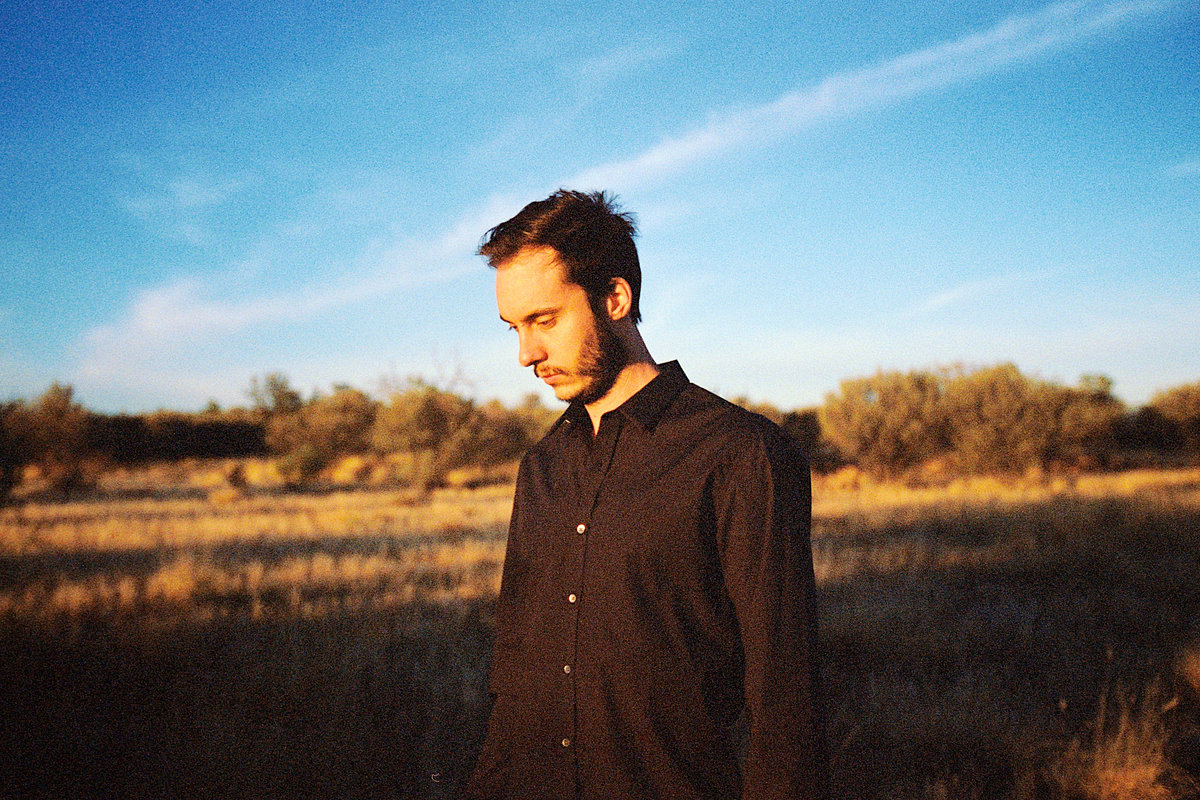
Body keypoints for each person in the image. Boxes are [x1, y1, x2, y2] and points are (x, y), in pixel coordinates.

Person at [463, 189, 829, 800]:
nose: (527, 354)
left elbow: (785, 696)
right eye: (514, 328)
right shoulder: (542, 467)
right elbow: (516, 669)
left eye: (544, 320)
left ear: (615, 298)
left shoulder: (739, 452)